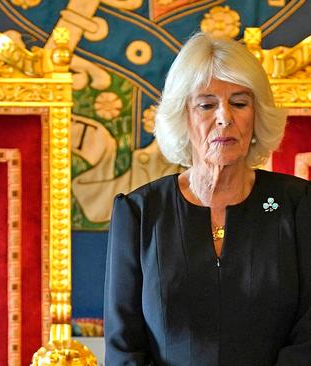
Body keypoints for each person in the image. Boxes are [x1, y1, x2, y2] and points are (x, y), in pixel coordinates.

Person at [104, 32, 311, 365]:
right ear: (183, 115)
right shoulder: (140, 212)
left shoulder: (299, 205)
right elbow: (123, 346)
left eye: (240, 103)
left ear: (257, 116)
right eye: (207, 104)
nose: (224, 117)